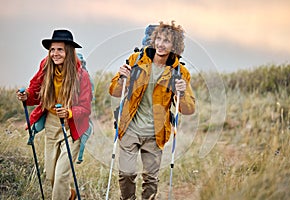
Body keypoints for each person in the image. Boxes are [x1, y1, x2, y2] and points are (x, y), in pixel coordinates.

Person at [109, 21, 196, 200]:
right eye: (159, 39)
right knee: (126, 174)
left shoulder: (180, 72)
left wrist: (182, 90)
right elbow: (115, 91)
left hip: (155, 133)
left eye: (167, 41)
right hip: (129, 128)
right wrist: (121, 78)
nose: (161, 44)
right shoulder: (136, 61)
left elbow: (188, 109)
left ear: (175, 46)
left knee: (150, 179)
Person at [16, 29, 92, 200]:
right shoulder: (45, 67)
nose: (55, 54)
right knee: (50, 175)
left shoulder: (81, 75)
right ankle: (70, 196)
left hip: (72, 126)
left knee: (60, 177)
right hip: (51, 123)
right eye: (52, 50)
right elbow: (35, 91)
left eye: (60, 49)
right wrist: (26, 96)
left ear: (68, 51)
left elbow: (86, 108)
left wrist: (69, 112)